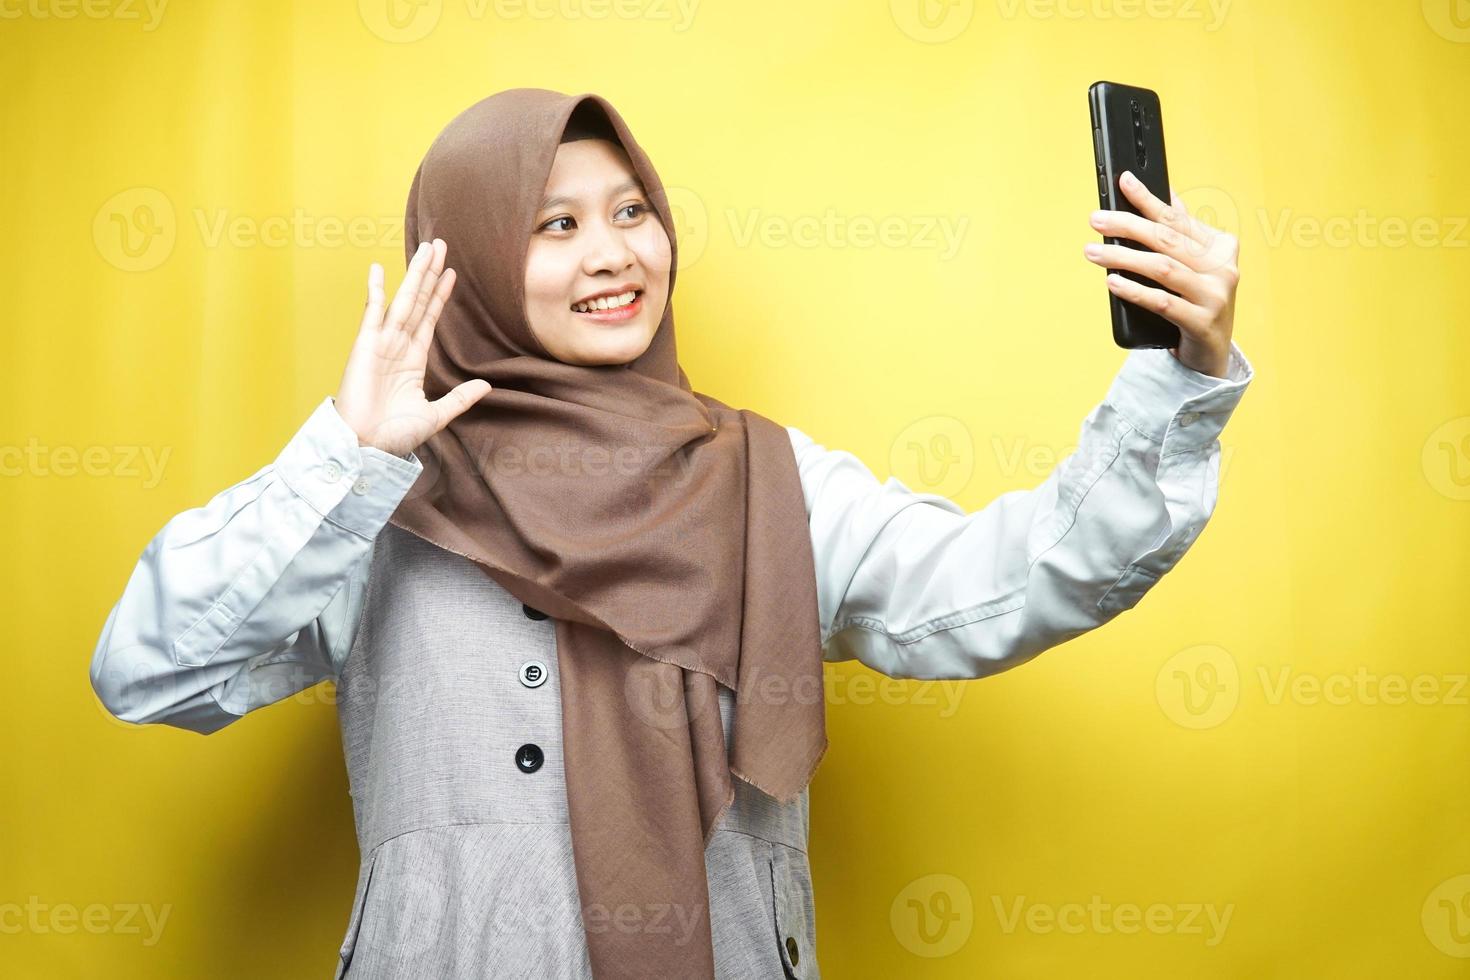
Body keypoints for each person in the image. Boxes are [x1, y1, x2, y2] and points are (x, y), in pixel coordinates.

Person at [89, 88, 1254, 979]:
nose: (614, 253)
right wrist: (349, 455)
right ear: (474, 257)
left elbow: (1016, 579)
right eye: (554, 224)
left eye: (632, 211)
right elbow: (149, 669)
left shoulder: (764, 480)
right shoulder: (378, 492)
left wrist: (1174, 374)